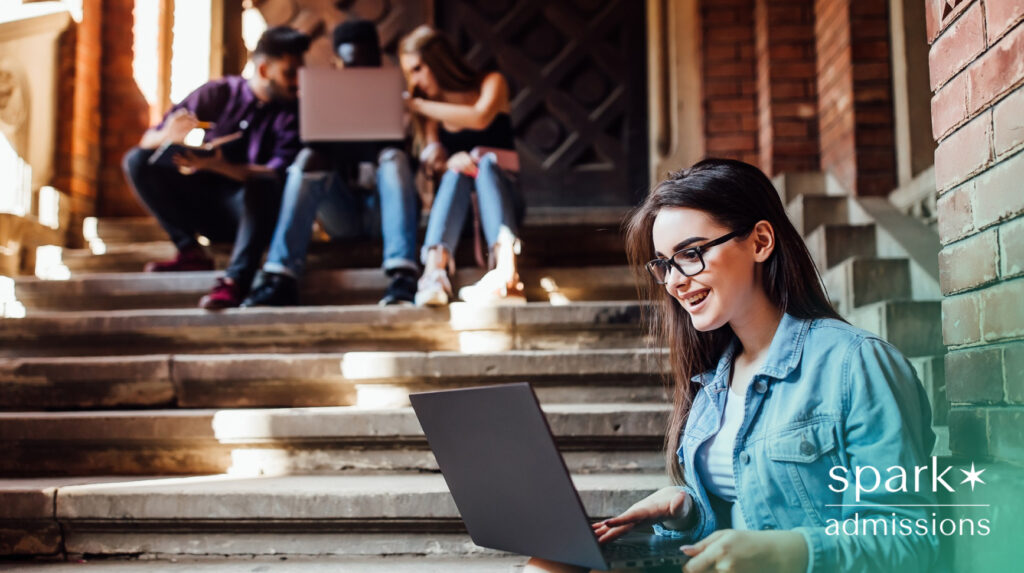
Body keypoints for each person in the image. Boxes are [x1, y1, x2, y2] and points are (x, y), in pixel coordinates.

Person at [526, 159, 939, 573]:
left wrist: (789, 551)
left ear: (760, 241)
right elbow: (741, 507)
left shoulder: (856, 363)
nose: (674, 281)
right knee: (549, 565)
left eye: (690, 254)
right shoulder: (714, 378)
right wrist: (687, 510)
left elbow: (908, 538)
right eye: (664, 264)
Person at [123, 26, 309, 309]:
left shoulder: (294, 113)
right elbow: (147, 140)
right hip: (205, 204)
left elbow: (276, 173)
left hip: (255, 214)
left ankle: (235, 281)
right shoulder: (218, 93)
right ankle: (190, 251)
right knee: (137, 160)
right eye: (289, 73)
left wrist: (219, 165)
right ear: (263, 70)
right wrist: (168, 137)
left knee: (262, 184)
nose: (297, 83)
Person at [241, 20, 421, 307]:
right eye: (351, 67)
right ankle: (280, 276)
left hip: (383, 213)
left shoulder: (405, 101)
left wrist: (397, 128)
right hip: (342, 214)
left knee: (393, 157)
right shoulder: (317, 101)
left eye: (366, 68)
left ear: (378, 64)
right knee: (307, 158)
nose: (358, 75)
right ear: (338, 64)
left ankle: (403, 276)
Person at [398, 25, 525, 307]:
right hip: (461, 212)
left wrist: (416, 106)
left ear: (439, 62)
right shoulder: (432, 113)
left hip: (504, 202)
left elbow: (479, 118)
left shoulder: (491, 83)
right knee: (458, 171)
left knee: (487, 165)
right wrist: (448, 161)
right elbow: (438, 164)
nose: (415, 81)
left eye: (418, 68)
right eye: (410, 73)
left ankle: (507, 273)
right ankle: (434, 272)